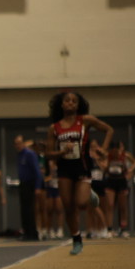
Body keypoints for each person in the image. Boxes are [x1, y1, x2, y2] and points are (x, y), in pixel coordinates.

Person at [44, 91, 113, 255]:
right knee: (68, 207)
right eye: (67, 100)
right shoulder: (54, 128)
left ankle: (89, 193)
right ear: (61, 104)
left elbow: (109, 130)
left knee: (81, 204)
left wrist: (103, 149)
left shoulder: (85, 120)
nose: (70, 103)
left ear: (78, 105)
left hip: (82, 166)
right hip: (64, 169)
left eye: (74, 101)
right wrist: (62, 152)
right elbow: (48, 153)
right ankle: (76, 239)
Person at [104, 141, 135, 237]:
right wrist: (105, 166)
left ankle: (123, 228)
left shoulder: (125, 155)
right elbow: (103, 165)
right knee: (110, 205)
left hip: (121, 181)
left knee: (123, 206)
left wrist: (130, 170)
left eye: (116, 150)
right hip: (111, 181)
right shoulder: (108, 156)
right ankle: (109, 229)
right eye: (113, 150)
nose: (115, 152)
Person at [14, 135, 42, 241]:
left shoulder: (29, 154)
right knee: (24, 209)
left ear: (23, 143)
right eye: (16, 144)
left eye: (19, 143)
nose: (18, 145)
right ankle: (26, 232)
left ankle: (32, 233)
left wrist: (38, 186)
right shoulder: (19, 155)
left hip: (30, 183)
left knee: (30, 209)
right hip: (23, 184)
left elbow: (37, 171)